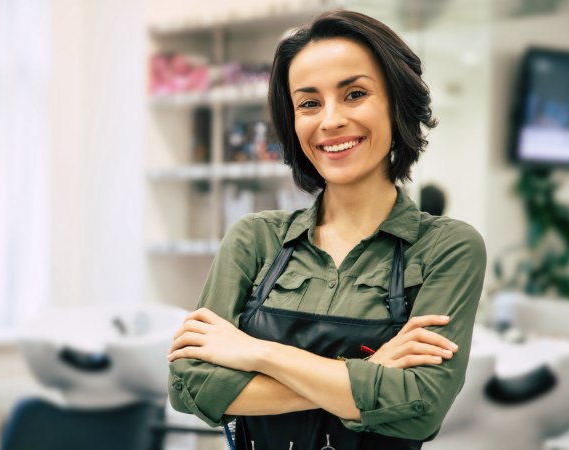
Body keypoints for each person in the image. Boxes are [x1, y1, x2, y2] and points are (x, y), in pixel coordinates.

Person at [167, 10, 486, 450]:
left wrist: (258, 353)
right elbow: (191, 389)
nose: (330, 120)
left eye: (354, 94)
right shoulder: (255, 239)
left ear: (397, 104)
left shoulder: (447, 248)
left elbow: (418, 407)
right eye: (309, 103)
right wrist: (368, 375)